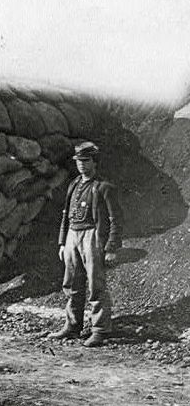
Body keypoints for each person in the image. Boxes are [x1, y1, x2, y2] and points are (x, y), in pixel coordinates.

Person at [48, 141, 122, 348]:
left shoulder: (104, 187)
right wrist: (62, 242)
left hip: (92, 236)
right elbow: (66, 215)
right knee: (71, 283)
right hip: (73, 235)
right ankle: (72, 326)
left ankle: (100, 330)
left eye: (86, 160)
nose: (81, 164)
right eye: (79, 161)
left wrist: (111, 247)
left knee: (96, 285)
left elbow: (116, 219)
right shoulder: (74, 184)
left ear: (94, 162)